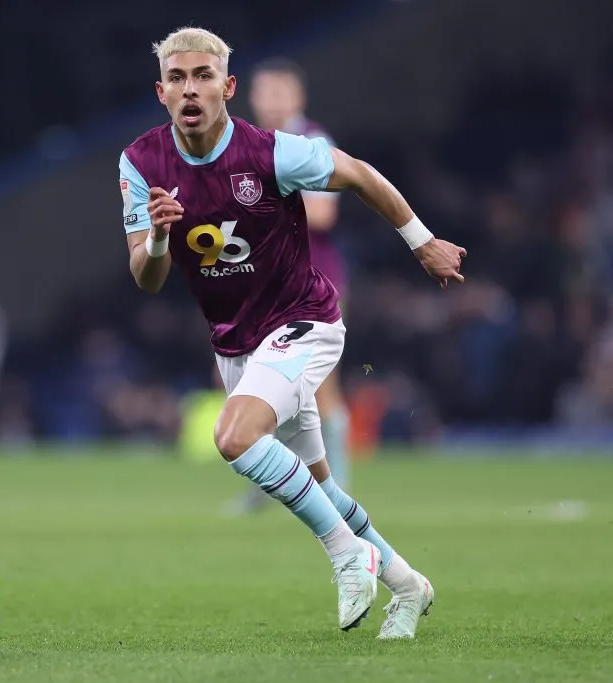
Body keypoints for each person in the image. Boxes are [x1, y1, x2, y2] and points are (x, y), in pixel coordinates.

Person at [117, 27, 466, 639]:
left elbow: (359, 174)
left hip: (304, 320)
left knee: (233, 437)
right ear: (161, 92)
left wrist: (422, 242)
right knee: (321, 486)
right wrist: (162, 236)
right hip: (235, 343)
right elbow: (146, 277)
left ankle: (346, 555)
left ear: (228, 88)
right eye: (177, 78)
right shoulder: (140, 163)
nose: (190, 89)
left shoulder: (272, 153)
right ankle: (409, 585)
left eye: (203, 76)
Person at [226, 57, 352, 515]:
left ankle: (338, 489)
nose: (274, 102)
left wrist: (261, 204)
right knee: (260, 386)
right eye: (266, 92)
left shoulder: (312, 142)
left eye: (282, 92)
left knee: (322, 390)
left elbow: (324, 212)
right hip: (262, 284)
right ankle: (267, 484)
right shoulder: (247, 143)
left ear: (299, 98)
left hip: (315, 280)